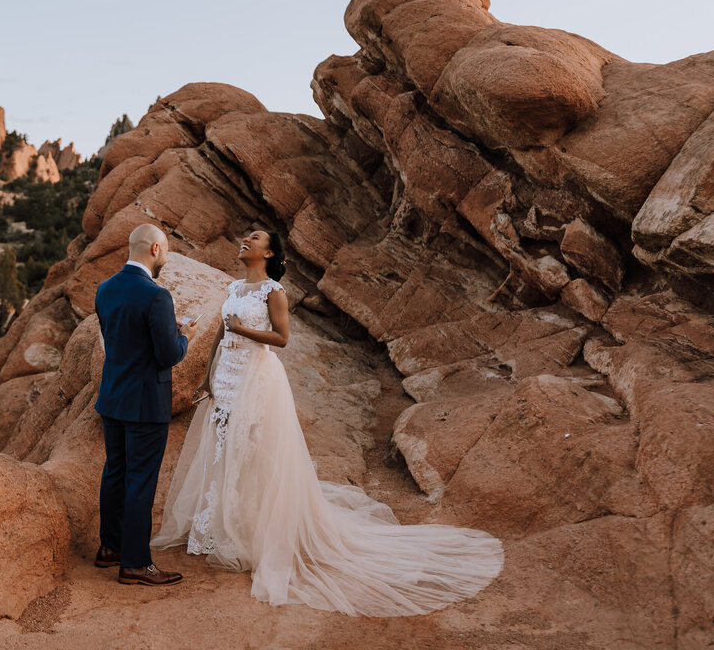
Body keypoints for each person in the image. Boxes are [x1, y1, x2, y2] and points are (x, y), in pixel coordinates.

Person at [152, 229, 505, 616]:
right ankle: (220, 528)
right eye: (246, 236)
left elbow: (281, 338)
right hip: (226, 380)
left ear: (268, 253)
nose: (245, 240)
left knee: (251, 452)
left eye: (254, 238)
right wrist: (207, 378)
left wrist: (242, 330)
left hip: (257, 381)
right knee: (222, 448)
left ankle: (251, 535)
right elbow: (221, 330)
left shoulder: (273, 292)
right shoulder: (235, 286)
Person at [93, 223, 200, 586]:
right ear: (155, 250)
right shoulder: (157, 296)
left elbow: (122, 339)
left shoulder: (104, 289)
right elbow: (167, 354)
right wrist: (184, 335)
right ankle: (136, 563)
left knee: (115, 473)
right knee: (140, 481)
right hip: (146, 403)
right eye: (166, 250)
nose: (166, 257)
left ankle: (110, 548)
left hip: (113, 397)